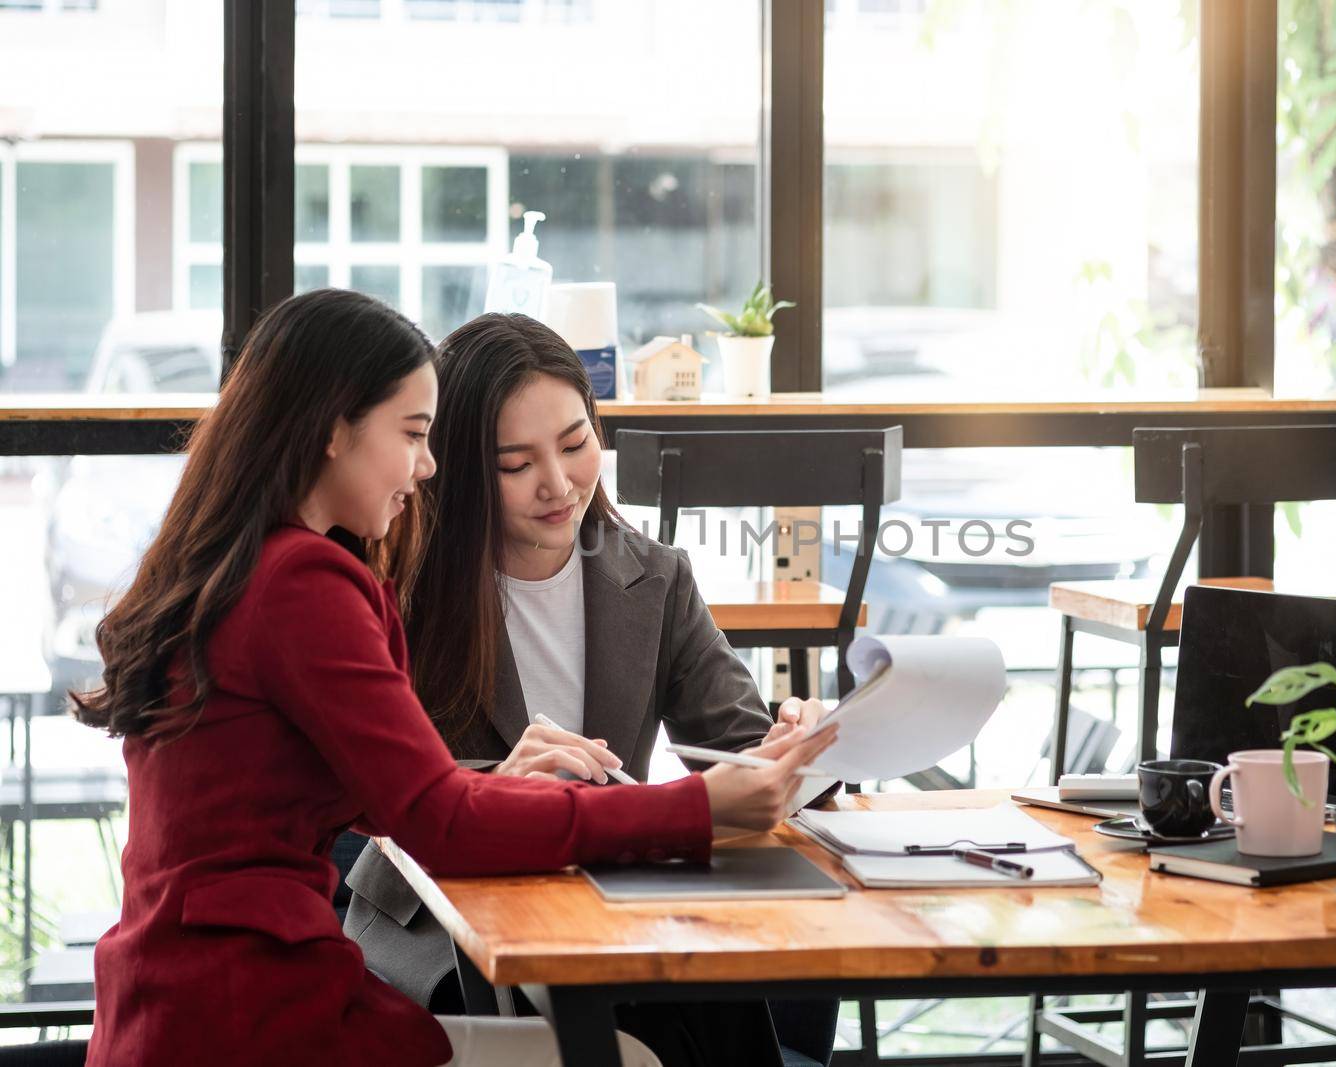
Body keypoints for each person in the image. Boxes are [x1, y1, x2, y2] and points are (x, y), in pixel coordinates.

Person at [73, 289, 835, 1067]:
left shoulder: (246, 564)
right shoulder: (308, 582)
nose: (425, 465)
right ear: (334, 431)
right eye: (413, 434)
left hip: (185, 999)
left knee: (678, 1026)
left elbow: (401, 799)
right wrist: (692, 808)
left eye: (575, 444)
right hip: (252, 1014)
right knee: (633, 1055)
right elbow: (432, 816)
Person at [343, 313, 839, 1066]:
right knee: (668, 1024)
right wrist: (499, 787)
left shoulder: (654, 577)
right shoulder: (400, 587)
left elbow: (736, 745)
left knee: (703, 999)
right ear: (458, 466)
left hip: (606, 907)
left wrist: (788, 744)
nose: (559, 483)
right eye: (515, 464)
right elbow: (376, 794)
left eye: (577, 445)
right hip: (444, 924)